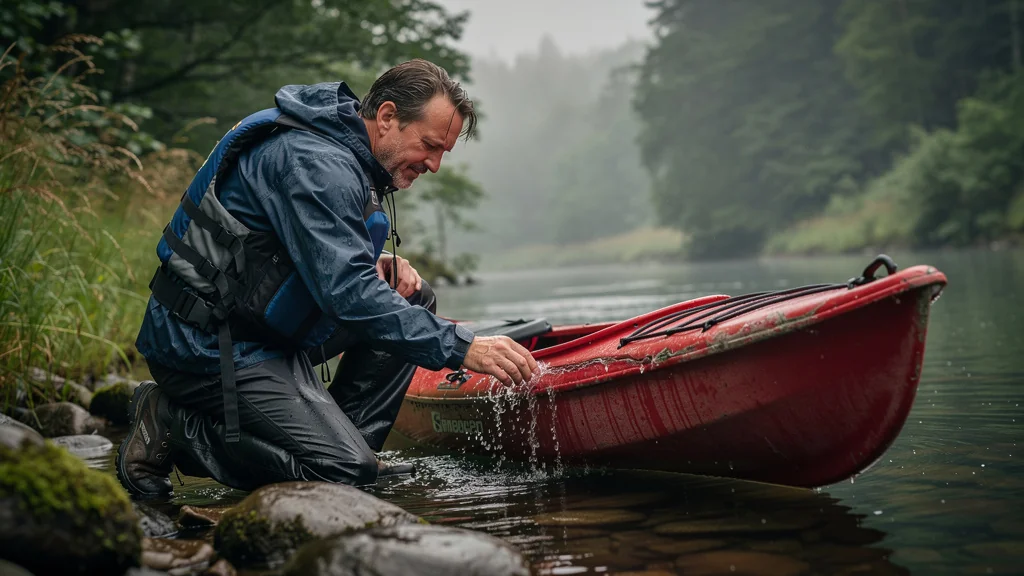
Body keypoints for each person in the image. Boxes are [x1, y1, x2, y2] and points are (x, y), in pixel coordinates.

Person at [117, 59, 537, 497]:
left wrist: (377, 258)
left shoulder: (345, 152)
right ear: (388, 117)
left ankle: (349, 446)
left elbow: (295, 245)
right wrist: (462, 346)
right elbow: (349, 294)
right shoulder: (315, 161)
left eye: (442, 153)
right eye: (429, 146)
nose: (434, 165)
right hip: (205, 342)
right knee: (341, 474)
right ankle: (172, 422)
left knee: (410, 297)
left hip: (260, 328)